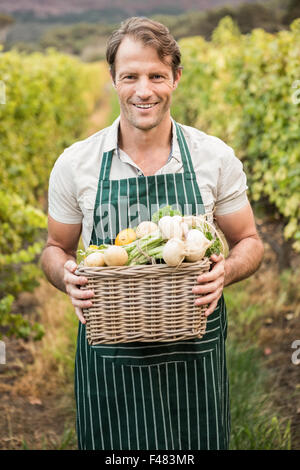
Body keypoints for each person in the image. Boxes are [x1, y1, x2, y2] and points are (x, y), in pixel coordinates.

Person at [41, 16, 264, 450]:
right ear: (113, 80)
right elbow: (54, 248)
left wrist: (228, 272)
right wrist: (65, 275)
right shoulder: (76, 164)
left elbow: (250, 241)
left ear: (176, 78)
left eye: (156, 76)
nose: (144, 90)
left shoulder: (212, 157)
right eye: (131, 77)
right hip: (110, 359)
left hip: (193, 359)